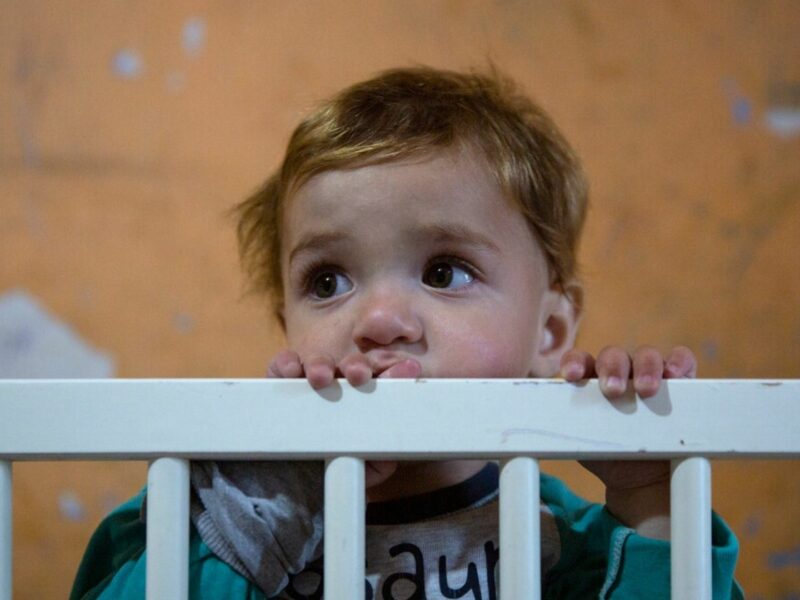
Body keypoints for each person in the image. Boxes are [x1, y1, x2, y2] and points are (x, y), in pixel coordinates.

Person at [71, 66, 742, 599]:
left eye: (445, 271)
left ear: (551, 330)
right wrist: (269, 514)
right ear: (287, 329)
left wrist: (652, 496)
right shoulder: (209, 519)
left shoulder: (560, 544)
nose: (379, 321)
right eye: (328, 282)